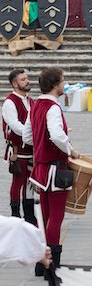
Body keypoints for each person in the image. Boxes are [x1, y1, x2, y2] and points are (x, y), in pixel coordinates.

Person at [23, 67, 81, 276]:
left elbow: (27, 136)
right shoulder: (53, 107)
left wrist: (41, 143)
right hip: (54, 169)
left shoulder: (35, 105)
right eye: (63, 81)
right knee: (55, 218)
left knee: (45, 217)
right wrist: (70, 149)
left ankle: (41, 264)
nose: (64, 84)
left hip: (40, 168)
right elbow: (56, 134)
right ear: (55, 84)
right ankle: (51, 266)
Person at [2, 69, 36, 223]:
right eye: (23, 79)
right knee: (18, 182)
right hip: (18, 149)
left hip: (31, 149)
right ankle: (15, 214)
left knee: (30, 181)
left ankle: (29, 214)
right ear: (15, 84)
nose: (27, 81)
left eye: (27, 78)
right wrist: (34, 136)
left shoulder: (30, 101)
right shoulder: (10, 102)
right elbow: (15, 125)